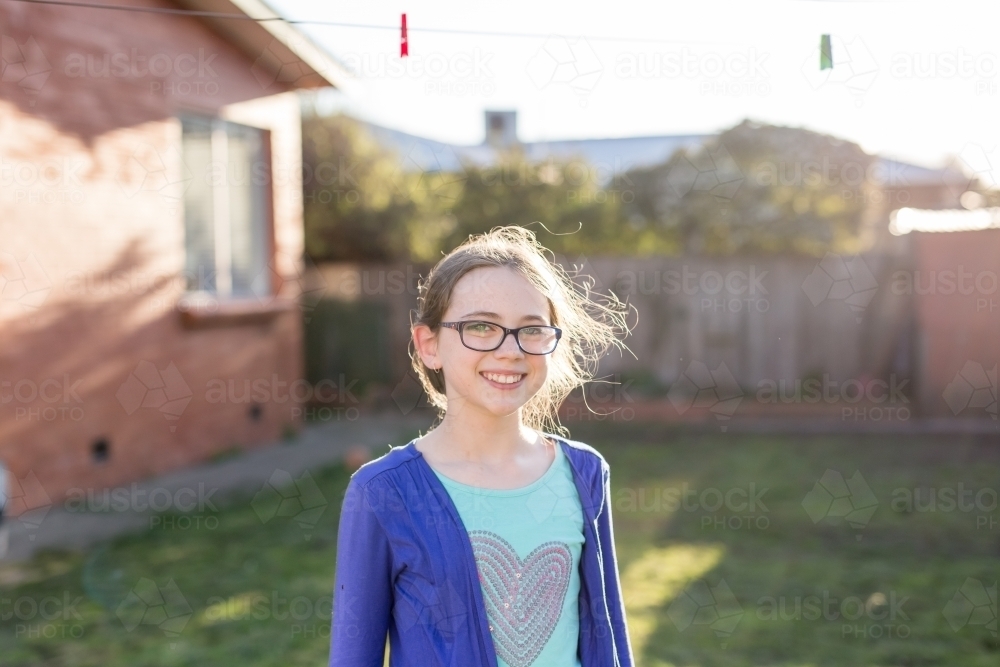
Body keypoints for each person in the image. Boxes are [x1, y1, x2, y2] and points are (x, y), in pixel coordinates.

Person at [329, 226, 636, 667]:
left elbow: (608, 632)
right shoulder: (382, 492)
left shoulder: (585, 475)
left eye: (531, 330)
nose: (509, 350)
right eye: (480, 326)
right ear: (429, 345)